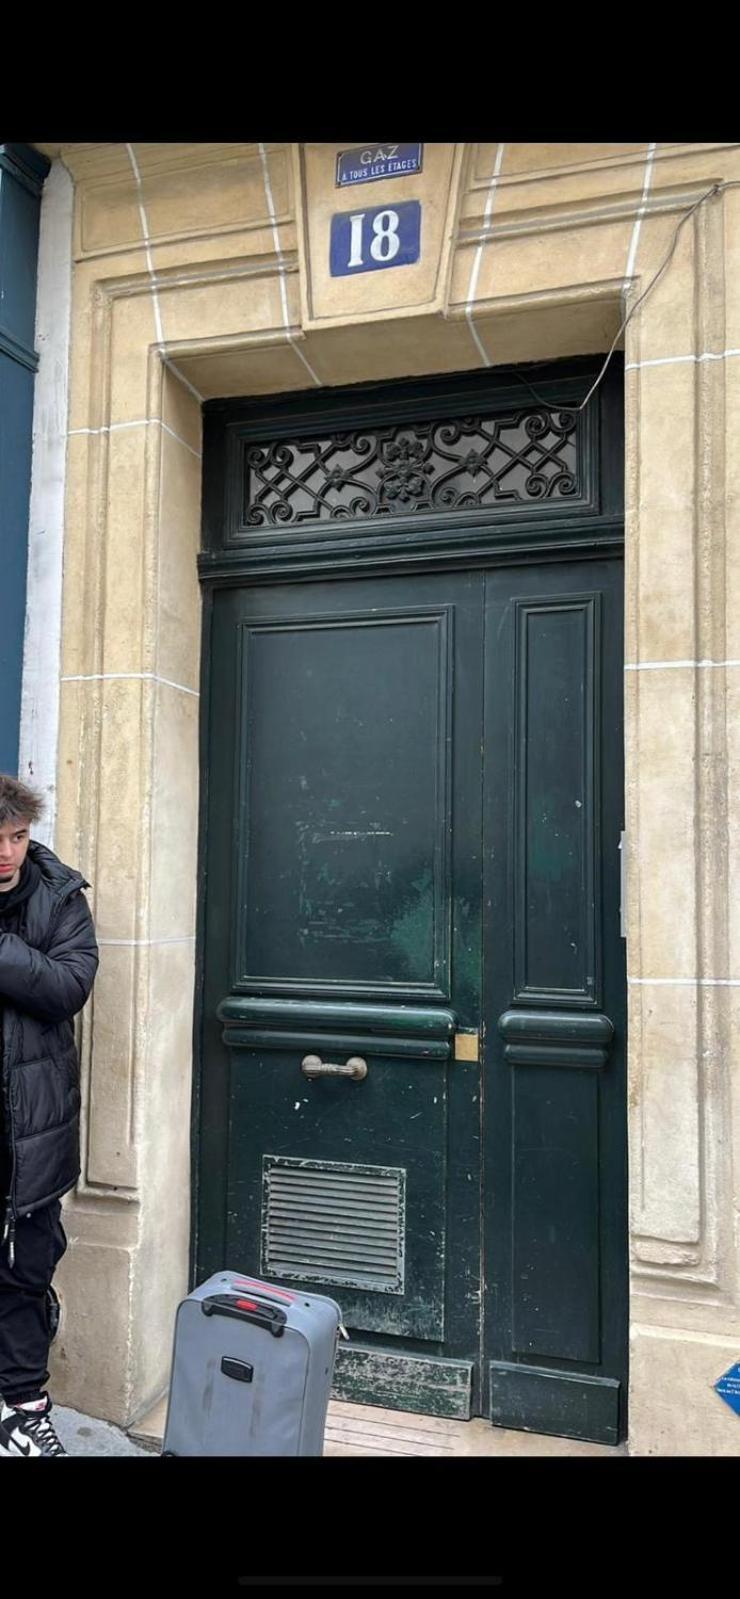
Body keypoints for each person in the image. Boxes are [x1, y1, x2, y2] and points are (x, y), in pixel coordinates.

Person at [0, 773, 98, 1456]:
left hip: (28, 1135)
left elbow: (68, 985)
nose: (6, 851)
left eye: (16, 836)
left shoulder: (60, 897)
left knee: (25, 1274)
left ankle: (24, 1413)